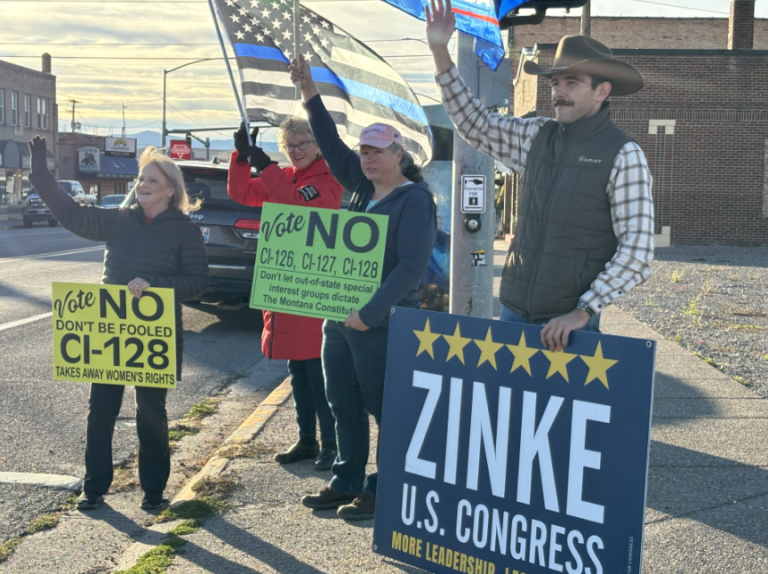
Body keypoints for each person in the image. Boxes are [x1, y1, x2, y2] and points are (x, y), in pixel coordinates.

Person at [426, 0, 654, 351]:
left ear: (601, 91)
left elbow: (637, 252)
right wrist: (440, 51)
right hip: (513, 314)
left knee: (563, 409)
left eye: (572, 83)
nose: (558, 92)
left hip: (569, 327)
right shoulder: (536, 135)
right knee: (504, 406)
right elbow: (473, 122)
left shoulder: (624, 154)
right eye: (555, 82)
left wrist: (583, 311)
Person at [290, 56, 437, 520]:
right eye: (365, 151)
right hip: (339, 316)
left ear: (399, 155)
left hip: (382, 322)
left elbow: (411, 267)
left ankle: (383, 487)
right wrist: (309, 90)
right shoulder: (357, 185)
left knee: (383, 407)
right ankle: (346, 478)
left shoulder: (415, 200)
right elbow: (330, 143)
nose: (369, 158)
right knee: (341, 401)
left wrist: (370, 313)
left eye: (378, 151)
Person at [27, 137, 209, 511]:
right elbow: (70, 213)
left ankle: (154, 491)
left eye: (152, 181)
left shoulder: (184, 229)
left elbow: (197, 283)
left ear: (171, 190)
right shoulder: (117, 220)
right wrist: (40, 172)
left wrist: (155, 286)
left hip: (155, 334)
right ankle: (93, 488)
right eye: (141, 180)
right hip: (109, 329)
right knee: (101, 409)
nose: (142, 186)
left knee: (150, 413)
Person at [227, 117, 343, 470]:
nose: (295, 151)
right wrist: (241, 157)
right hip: (286, 285)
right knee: (297, 370)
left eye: (302, 144)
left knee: (317, 371)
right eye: (289, 145)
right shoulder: (289, 177)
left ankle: (331, 444)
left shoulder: (328, 180)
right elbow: (242, 193)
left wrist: (266, 165)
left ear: (319, 144)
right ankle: (306, 439)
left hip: (311, 288)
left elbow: (297, 204)